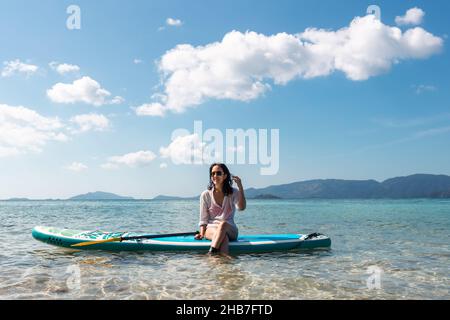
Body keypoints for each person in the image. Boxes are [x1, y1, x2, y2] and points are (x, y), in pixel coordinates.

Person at [194, 163, 246, 255]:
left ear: (225, 176)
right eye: (212, 173)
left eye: (218, 173)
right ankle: (224, 264)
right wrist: (202, 234)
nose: (215, 176)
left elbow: (241, 208)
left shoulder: (233, 192)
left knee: (223, 225)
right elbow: (203, 219)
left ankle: (211, 254)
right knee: (223, 238)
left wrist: (240, 187)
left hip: (230, 229)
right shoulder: (205, 195)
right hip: (211, 229)